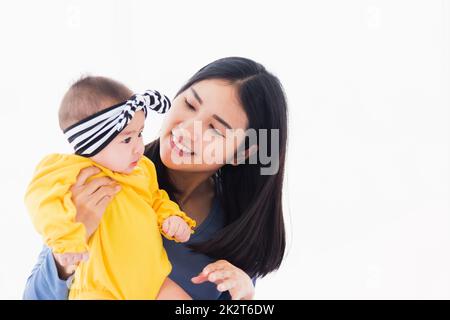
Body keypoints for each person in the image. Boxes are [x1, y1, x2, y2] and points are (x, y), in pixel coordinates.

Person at [24, 57, 288, 300]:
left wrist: (244, 299)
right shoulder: (107, 177)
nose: (186, 129)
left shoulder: (239, 230)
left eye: (215, 129)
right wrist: (65, 258)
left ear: (242, 153)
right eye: (189, 104)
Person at [24, 76, 195, 299]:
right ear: (93, 141)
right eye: (127, 140)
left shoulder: (142, 168)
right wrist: (66, 241)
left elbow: (156, 198)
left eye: (140, 134)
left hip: (154, 281)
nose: (139, 148)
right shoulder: (69, 170)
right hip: (100, 289)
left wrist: (171, 217)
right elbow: (41, 202)